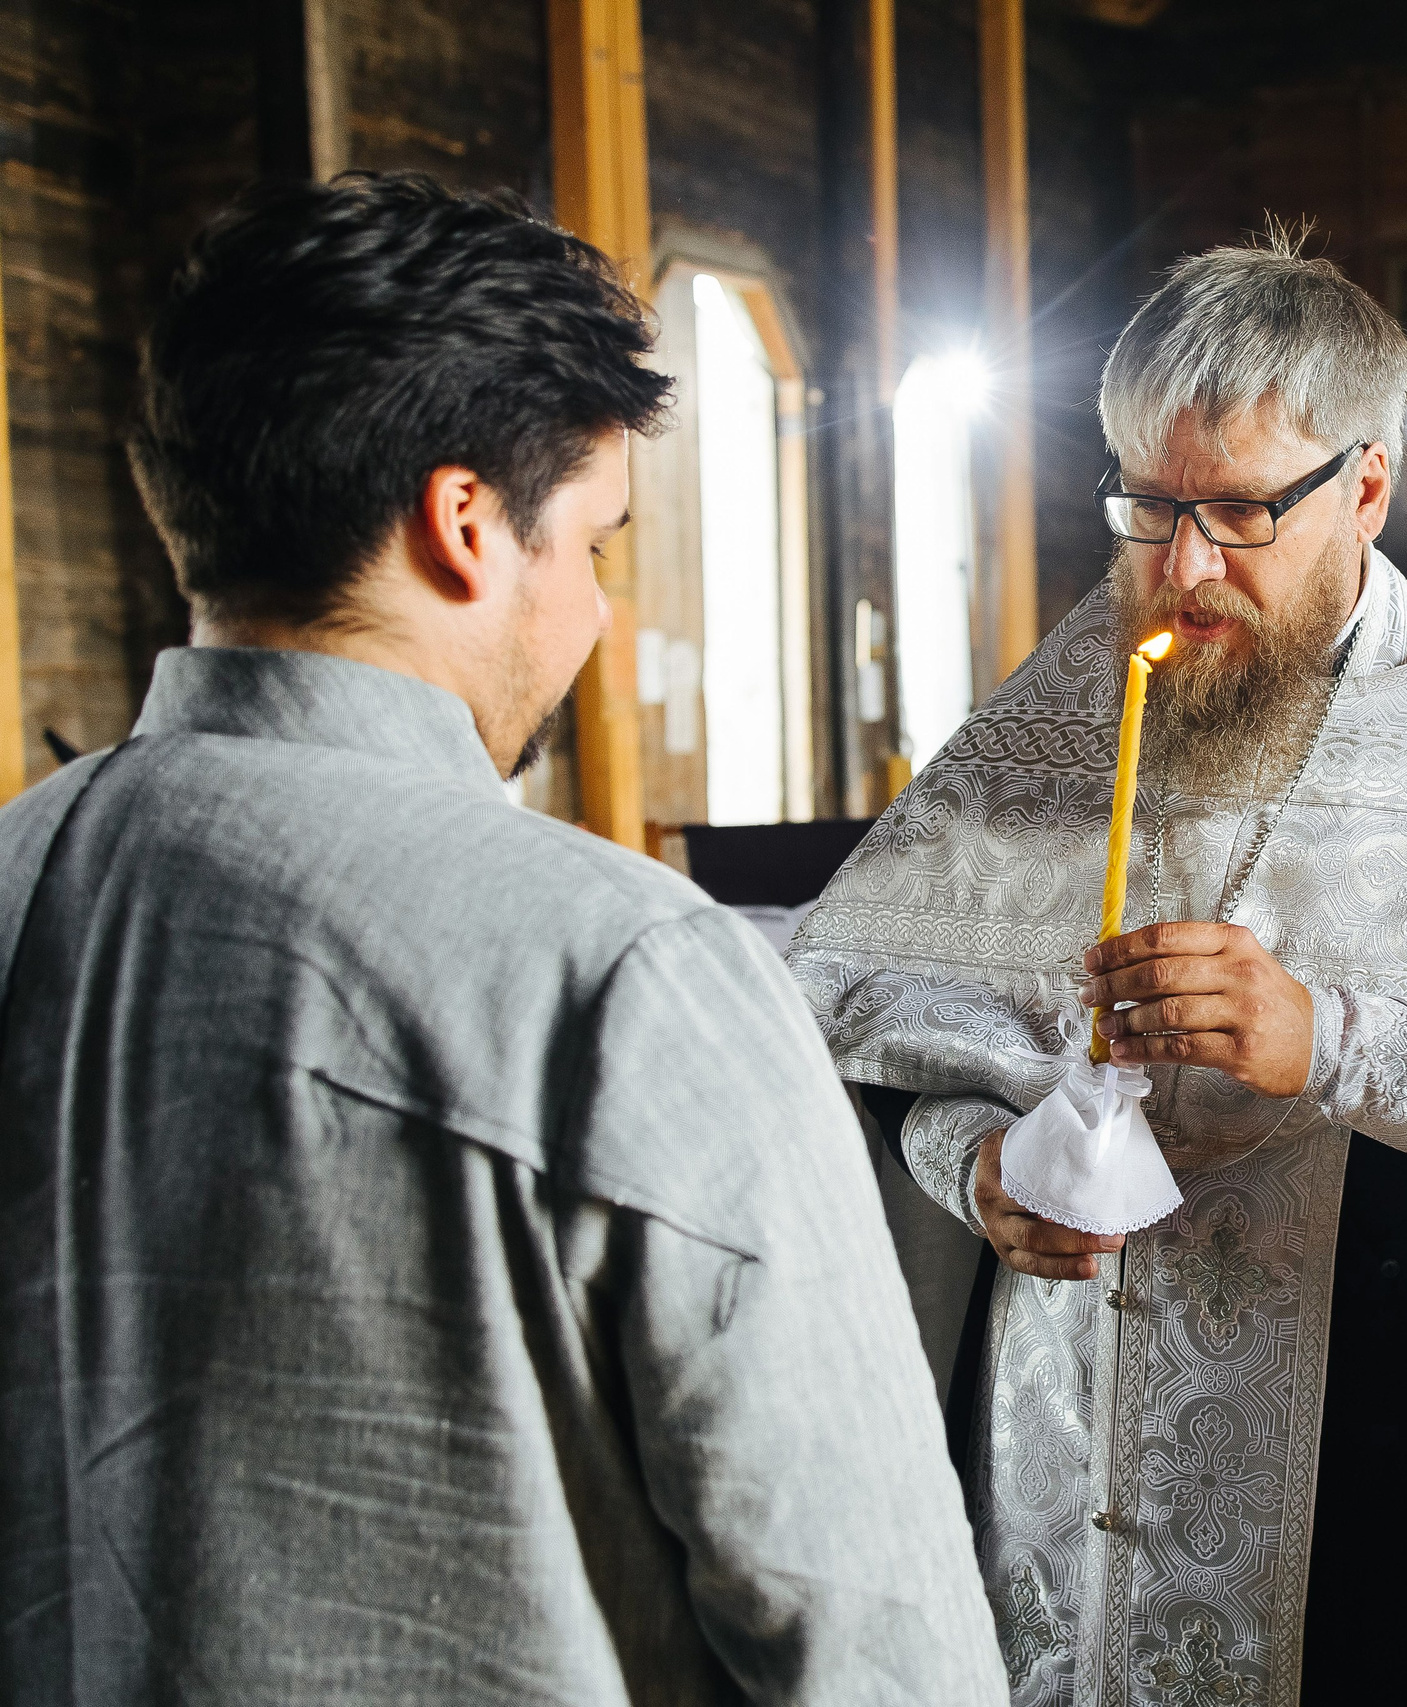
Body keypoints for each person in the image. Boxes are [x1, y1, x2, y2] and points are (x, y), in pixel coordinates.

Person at [0, 173, 1005, 1704]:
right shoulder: (622, 972)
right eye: (594, 543)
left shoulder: (17, 875)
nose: (596, 612)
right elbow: (877, 1643)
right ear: (465, 524)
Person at [790, 234, 1407, 1707]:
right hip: (1064, 1472)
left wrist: (1338, 1038)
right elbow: (859, 1024)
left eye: (1235, 510)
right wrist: (973, 1165)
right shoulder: (1056, 728)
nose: (1180, 567)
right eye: (1145, 504)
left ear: (1363, 485)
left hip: (1391, 1497)